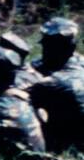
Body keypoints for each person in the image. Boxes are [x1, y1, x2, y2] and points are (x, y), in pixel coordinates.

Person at [30, 18, 84, 151]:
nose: (44, 47)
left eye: (48, 44)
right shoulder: (79, 61)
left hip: (73, 140)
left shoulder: (56, 82)